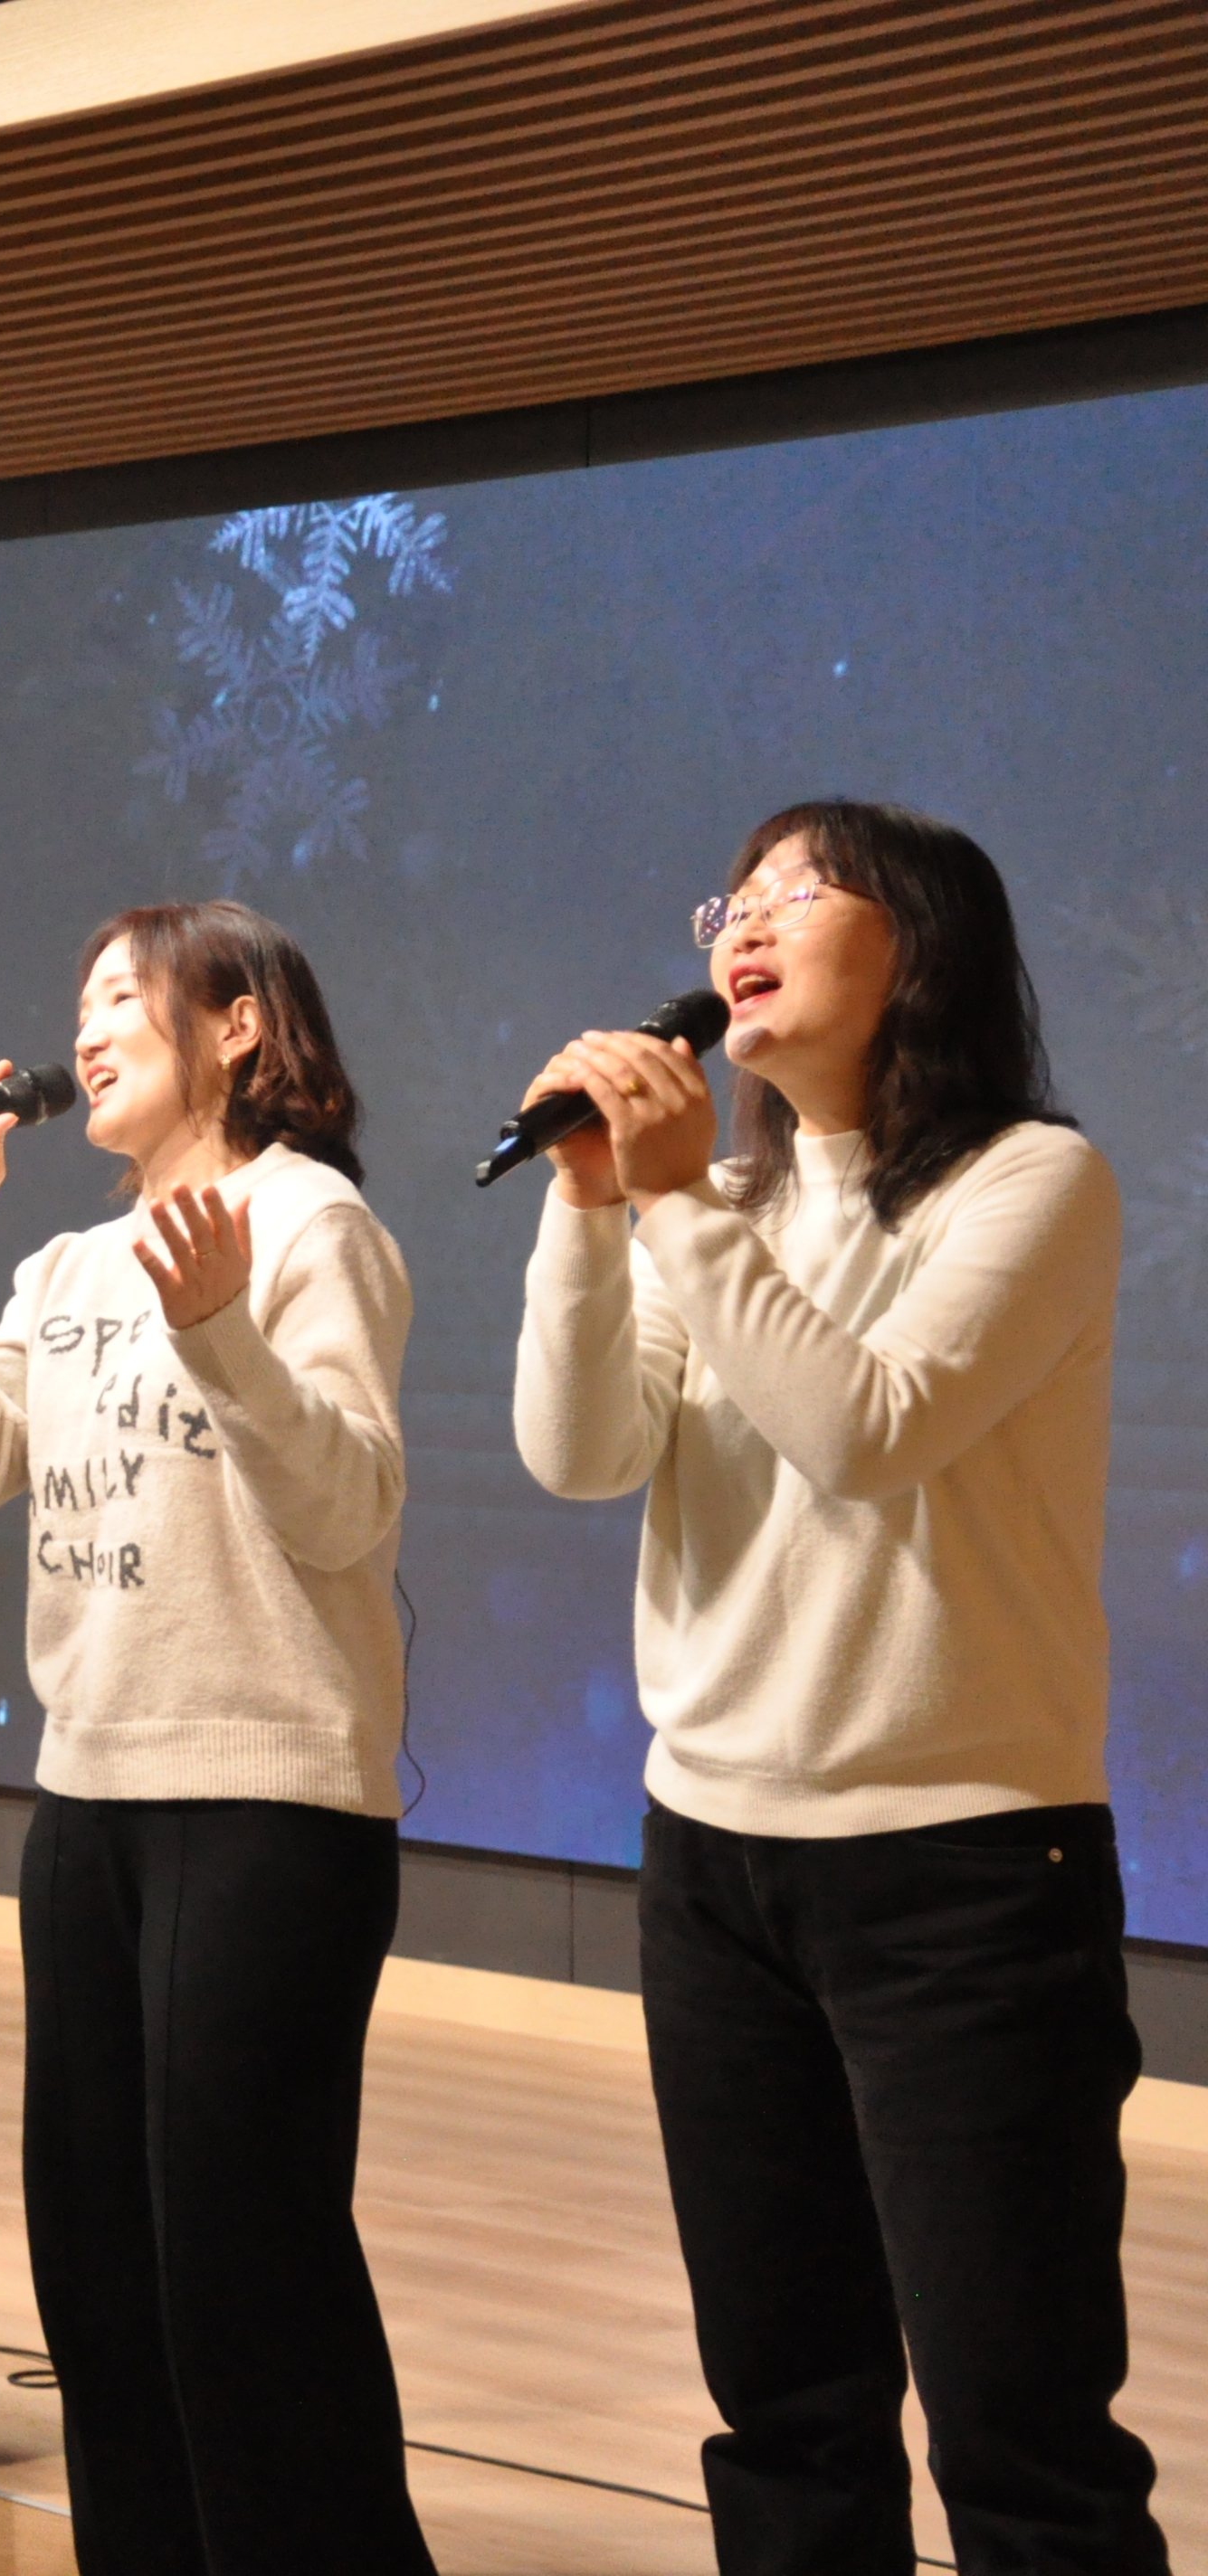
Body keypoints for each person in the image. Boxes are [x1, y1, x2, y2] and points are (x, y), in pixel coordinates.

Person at [509, 801, 1155, 2572]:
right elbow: (576, 1450)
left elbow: (863, 1430)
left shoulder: (1028, 1181)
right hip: (709, 1862)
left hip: (959, 1871)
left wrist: (668, 1210)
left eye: (799, 889)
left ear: (918, 942)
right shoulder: (712, 1203)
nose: (745, 919)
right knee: (784, 2409)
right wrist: (589, 1208)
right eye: (731, 894)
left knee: (1018, 2431)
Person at [0, 902, 432, 2575]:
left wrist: (223, 1331)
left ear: (238, 1025)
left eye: (123, 994)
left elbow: (347, 1504)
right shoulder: (68, 1263)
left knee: (244, 2266)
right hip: (90, 1795)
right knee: (100, 2272)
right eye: (81, 999)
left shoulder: (307, 1220)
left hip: (264, 1798)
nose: (87, 1028)